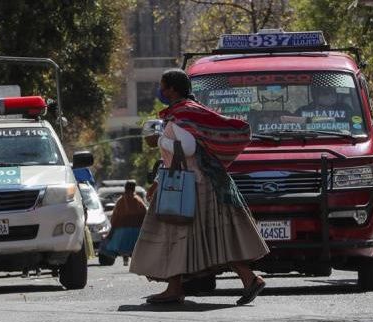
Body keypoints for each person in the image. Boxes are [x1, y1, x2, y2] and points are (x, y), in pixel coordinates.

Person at [129, 69, 270, 305]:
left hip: (191, 186)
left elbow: (188, 147)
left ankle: (178, 289)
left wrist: (160, 140)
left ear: (173, 89)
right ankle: (247, 280)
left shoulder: (184, 111)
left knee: (179, 233)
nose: (160, 91)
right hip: (195, 182)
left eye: (163, 87)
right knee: (213, 236)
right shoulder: (185, 111)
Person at [102, 181, 146, 266]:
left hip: (122, 229)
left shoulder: (121, 201)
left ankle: (125, 259)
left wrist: (113, 228)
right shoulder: (138, 200)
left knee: (124, 246)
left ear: (125, 188)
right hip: (136, 229)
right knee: (135, 247)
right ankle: (135, 261)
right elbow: (144, 213)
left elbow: (115, 216)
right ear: (134, 188)